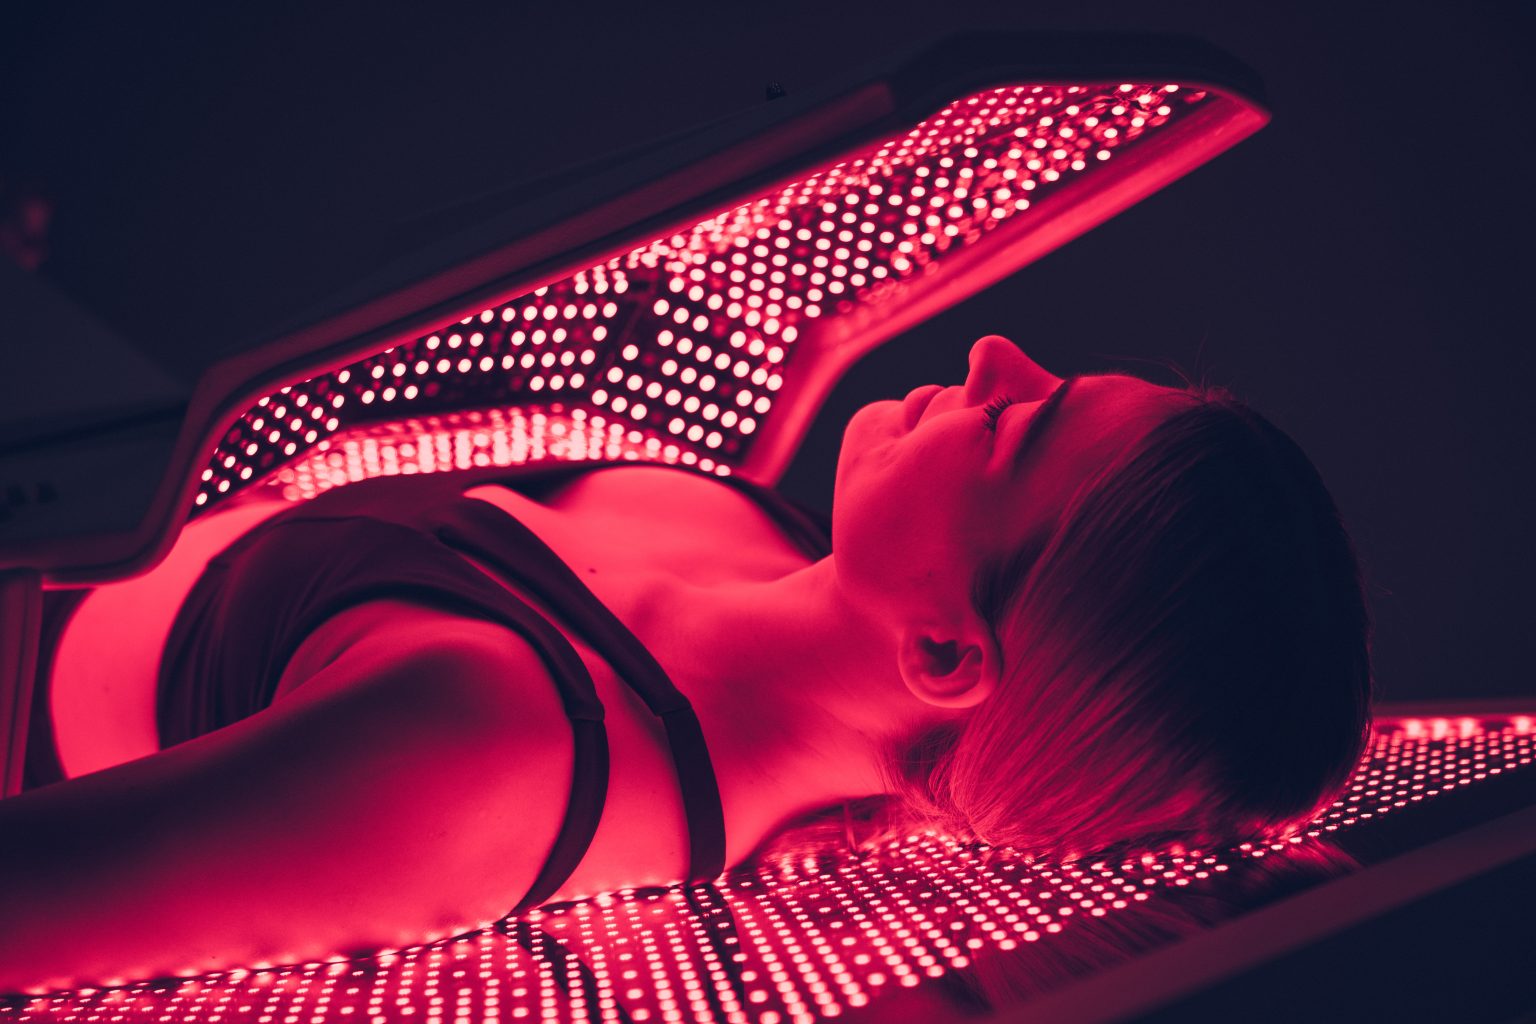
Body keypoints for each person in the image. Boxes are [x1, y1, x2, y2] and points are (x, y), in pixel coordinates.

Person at [0, 335, 1373, 993]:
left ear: (948, 650)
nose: (995, 354)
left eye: (1017, 429)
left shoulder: (495, 759)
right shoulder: (760, 528)